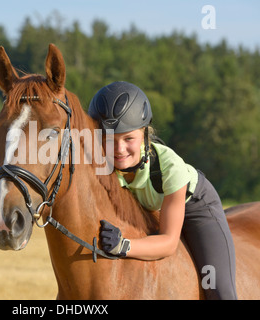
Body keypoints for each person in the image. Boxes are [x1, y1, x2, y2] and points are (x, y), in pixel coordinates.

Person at [88, 81, 237, 300]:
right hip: (151, 210)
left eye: (129, 138)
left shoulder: (170, 167)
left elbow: (168, 243)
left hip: (196, 208)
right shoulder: (99, 167)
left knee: (217, 288)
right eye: (109, 140)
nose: (119, 150)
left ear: (145, 134)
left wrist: (123, 245)